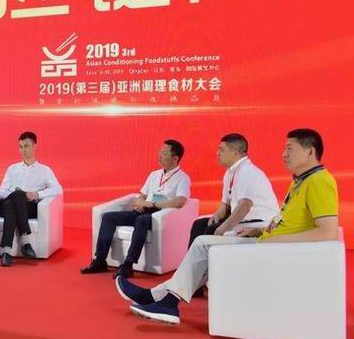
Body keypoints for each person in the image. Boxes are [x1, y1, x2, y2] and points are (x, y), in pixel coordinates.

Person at [115, 129, 339, 325]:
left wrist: (272, 238)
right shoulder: (300, 181)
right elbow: (285, 221)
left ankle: (164, 300)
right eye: (284, 148)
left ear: (310, 151)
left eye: (290, 148)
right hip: (264, 237)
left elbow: (328, 231)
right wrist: (261, 232)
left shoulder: (319, 181)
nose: (284, 154)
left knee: (204, 243)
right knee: (203, 239)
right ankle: (161, 298)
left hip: (273, 246)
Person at [81, 140, 191, 278]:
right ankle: (100, 260)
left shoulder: (183, 178)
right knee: (109, 217)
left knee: (141, 220)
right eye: (160, 152)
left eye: (164, 154)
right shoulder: (154, 174)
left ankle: (128, 265)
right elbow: (142, 195)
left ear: (175, 158)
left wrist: (153, 205)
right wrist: (140, 202)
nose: (159, 156)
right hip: (143, 210)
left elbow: (180, 201)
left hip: (159, 215)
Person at [188, 133, 279, 248]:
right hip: (244, 219)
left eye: (221, 150)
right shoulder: (230, 172)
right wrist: (217, 216)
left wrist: (223, 228)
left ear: (235, 153)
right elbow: (225, 205)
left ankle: (208, 260)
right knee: (200, 224)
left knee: (213, 230)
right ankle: (194, 259)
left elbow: (244, 206)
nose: (217, 153)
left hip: (259, 221)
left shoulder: (247, 171)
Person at [0, 131, 62, 267]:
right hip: (9, 201)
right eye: (20, 147)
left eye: (26, 146)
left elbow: (58, 189)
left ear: (35, 146)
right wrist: (17, 193)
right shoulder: (12, 169)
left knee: (11, 206)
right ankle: (26, 243)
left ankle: (6, 252)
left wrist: (38, 194)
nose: (23, 150)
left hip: (29, 207)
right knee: (16, 196)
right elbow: (1, 192)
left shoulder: (44, 170)